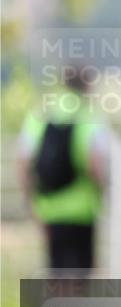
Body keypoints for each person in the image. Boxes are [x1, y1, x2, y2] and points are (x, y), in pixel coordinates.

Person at [18, 75, 107, 273]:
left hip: (49, 209)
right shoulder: (88, 116)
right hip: (82, 211)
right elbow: (95, 164)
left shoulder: (41, 114)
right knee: (79, 277)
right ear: (86, 86)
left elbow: (23, 164)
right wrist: (102, 192)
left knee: (58, 274)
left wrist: (31, 202)